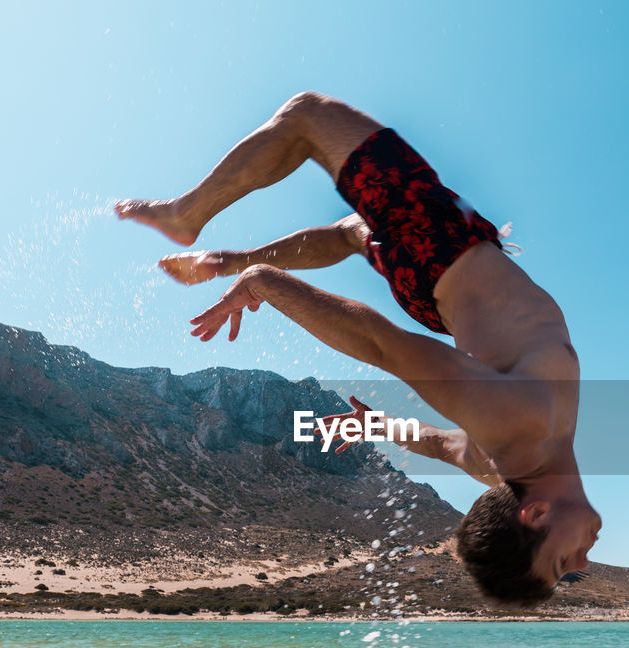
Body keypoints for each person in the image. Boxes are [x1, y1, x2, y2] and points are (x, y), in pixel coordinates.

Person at [116, 92, 600, 605]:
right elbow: (434, 442)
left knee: (308, 116)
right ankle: (229, 259)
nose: (583, 562)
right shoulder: (497, 466)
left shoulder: (517, 428)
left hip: (441, 249)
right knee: (353, 232)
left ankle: (187, 216)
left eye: (560, 563)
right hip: (440, 289)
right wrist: (371, 426)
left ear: (536, 515)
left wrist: (269, 283)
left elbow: (384, 347)